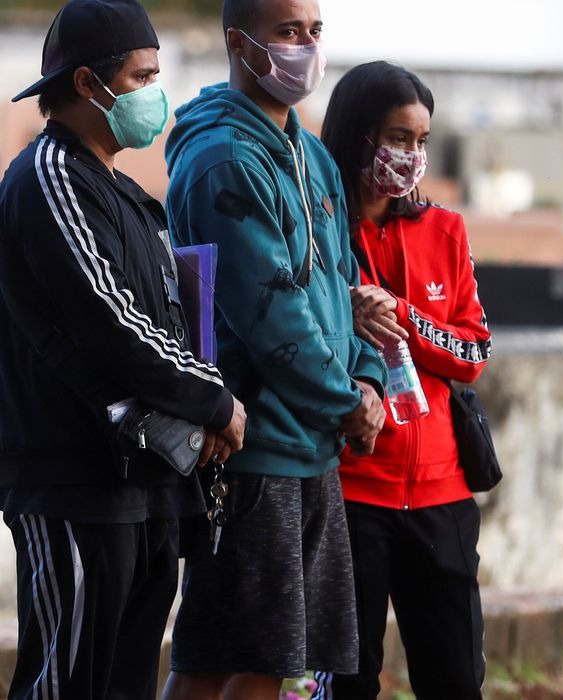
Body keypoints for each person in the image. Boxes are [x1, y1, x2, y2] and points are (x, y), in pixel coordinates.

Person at [0, 1, 247, 698]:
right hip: (74, 479)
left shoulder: (125, 193)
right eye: (141, 77)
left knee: (127, 681)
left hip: (143, 483)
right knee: (66, 681)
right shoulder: (50, 176)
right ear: (87, 84)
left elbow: (165, 325)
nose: (154, 94)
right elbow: (112, 322)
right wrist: (214, 400)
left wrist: (198, 416)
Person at [159, 1, 388, 698]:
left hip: (309, 444)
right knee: (229, 658)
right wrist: (348, 401)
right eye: (289, 32)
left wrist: (370, 376)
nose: (306, 48)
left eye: (314, 32)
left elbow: (345, 284)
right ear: (240, 43)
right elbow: (272, 315)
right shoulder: (224, 161)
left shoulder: (308, 152)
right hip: (253, 449)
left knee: (266, 654)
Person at [318, 61, 492, 699]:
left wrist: (404, 319)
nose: (411, 155)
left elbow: (473, 350)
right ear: (359, 135)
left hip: (442, 497)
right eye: (398, 137)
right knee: (349, 682)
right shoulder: (319, 230)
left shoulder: (445, 229)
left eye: (421, 141)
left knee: (454, 681)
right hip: (351, 492)